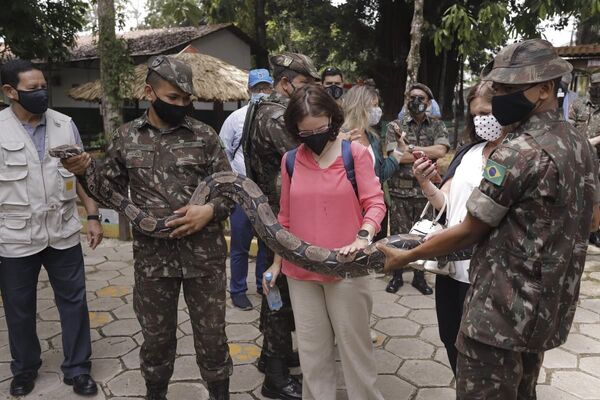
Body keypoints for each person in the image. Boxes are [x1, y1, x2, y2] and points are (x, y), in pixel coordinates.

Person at [378, 39, 600, 400]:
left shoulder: (516, 152)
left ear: (545, 88)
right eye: (499, 89)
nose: (500, 98)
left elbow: (468, 229)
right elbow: (592, 222)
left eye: (511, 89)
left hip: (497, 315)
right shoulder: (579, 145)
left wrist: (404, 256)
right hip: (544, 310)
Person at [62, 55, 233, 400]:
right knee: (156, 338)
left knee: (212, 336)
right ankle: (155, 392)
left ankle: (220, 393)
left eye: (186, 99)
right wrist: (84, 170)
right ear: (148, 92)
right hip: (154, 261)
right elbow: (105, 192)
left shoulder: (204, 135)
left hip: (205, 258)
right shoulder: (126, 137)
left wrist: (210, 211)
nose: (181, 105)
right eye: (173, 98)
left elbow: (230, 191)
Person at [263, 84, 386, 400]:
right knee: (313, 358)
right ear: (295, 131)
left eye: (322, 129)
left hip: (346, 269)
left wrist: (363, 237)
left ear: (334, 119)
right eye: (306, 133)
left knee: (356, 355)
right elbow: (285, 218)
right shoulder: (291, 160)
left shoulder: (354, 154)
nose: (315, 137)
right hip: (300, 274)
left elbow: (375, 203)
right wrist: (276, 264)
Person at [0, 59, 103, 397]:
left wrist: (92, 215)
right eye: (33, 89)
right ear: (10, 92)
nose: (41, 93)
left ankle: (77, 369)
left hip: (62, 231)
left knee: (74, 302)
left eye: (44, 86)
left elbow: (80, 174)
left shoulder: (64, 124)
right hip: (15, 237)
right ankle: (25, 369)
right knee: (19, 307)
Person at [412, 81, 506, 376]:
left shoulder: (519, 157)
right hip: (452, 272)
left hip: (493, 277)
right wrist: (426, 183)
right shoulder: (467, 154)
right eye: (475, 114)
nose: (482, 120)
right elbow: (447, 207)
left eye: (487, 112)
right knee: (452, 343)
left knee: (488, 360)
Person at [244, 52, 320, 399]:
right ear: (286, 84)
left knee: (274, 286)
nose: (307, 94)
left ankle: (269, 356)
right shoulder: (276, 116)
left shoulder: (264, 110)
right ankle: (274, 378)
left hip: (275, 215)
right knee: (280, 293)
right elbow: (309, 158)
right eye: (303, 86)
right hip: (279, 220)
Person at [384, 82, 450, 295]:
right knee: (398, 236)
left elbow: (441, 151)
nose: (416, 101)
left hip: (427, 193)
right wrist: (422, 153)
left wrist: (410, 149)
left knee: (424, 236)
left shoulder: (437, 125)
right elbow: (395, 155)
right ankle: (396, 276)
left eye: (421, 98)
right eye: (412, 97)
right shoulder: (395, 126)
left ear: (429, 103)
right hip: (399, 192)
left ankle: (420, 277)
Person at [219, 68, 273, 310]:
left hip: (268, 195)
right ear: (248, 90)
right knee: (240, 244)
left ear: (271, 88)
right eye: (256, 88)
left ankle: (263, 285)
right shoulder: (235, 119)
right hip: (241, 195)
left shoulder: (276, 118)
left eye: (265, 88)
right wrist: (235, 182)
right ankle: (238, 290)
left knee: (267, 244)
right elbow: (223, 154)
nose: (261, 92)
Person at [340, 85, 404, 241]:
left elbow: (380, 174)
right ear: (360, 107)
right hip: (348, 212)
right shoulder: (339, 136)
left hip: (374, 212)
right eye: (374, 106)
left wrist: (400, 150)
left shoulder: (372, 138)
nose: (378, 110)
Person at [570, 72, 600, 245]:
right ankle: (583, 228)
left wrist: (595, 141)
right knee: (582, 193)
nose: (596, 90)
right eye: (594, 86)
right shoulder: (578, 104)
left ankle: (596, 231)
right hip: (580, 157)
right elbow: (569, 126)